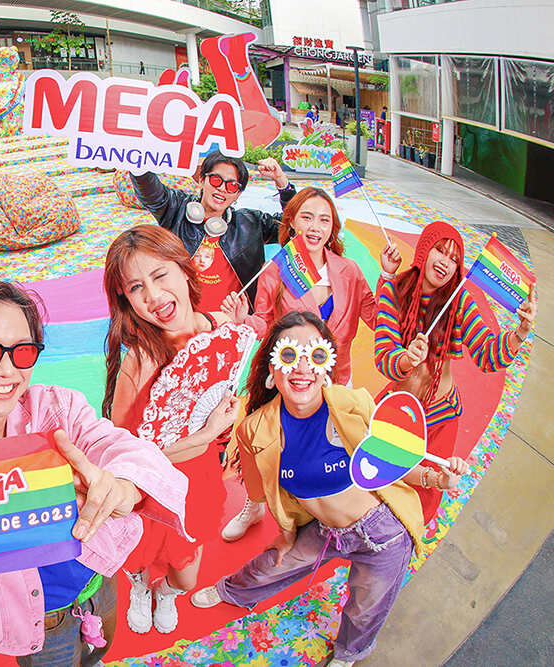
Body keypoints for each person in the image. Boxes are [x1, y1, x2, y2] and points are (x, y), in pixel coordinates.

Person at [0, 274, 190, 666]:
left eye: (23, 352)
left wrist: (123, 486)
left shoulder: (57, 412)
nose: (8, 371)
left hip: (99, 583)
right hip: (38, 624)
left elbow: (123, 447)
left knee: (98, 655)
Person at [189, 311, 429, 667]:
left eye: (315, 355)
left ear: (327, 365)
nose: (302, 367)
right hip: (324, 529)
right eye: (289, 354)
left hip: (384, 532)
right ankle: (232, 590)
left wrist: (435, 478)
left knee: (366, 608)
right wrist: (285, 531)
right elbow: (259, 488)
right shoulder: (255, 429)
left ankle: (349, 653)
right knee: (272, 563)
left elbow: (396, 460)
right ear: (272, 368)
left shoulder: (353, 404)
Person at [219, 187, 395, 541]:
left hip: (335, 380)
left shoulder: (348, 270)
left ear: (333, 228)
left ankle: (323, 509)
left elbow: (377, 318)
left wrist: (388, 277)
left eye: (324, 220)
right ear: (292, 222)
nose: (316, 226)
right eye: (307, 217)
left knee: (331, 450)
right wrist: (241, 320)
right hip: (290, 380)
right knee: (266, 446)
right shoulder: (277, 270)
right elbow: (264, 322)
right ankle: (254, 504)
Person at [102, 225, 240, 635]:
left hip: (198, 479)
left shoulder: (217, 327)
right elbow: (126, 456)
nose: (153, 296)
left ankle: (165, 593)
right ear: (125, 298)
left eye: (160, 275)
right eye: (136, 287)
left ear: (185, 268)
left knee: (186, 577)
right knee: (140, 556)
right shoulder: (140, 359)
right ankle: (141, 585)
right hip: (149, 487)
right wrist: (207, 434)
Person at [374, 221, 534, 525]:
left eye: (454, 259)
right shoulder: (395, 291)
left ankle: (407, 539)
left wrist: (519, 334)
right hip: (397, 405)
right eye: (440, 251)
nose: (446, 263)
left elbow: (489, 355)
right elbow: (383, 355)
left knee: (425, 492)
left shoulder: (458, 301)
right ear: (424, 250)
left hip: (439, 415)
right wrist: (406, 359)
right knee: (379, 472)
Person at [130, 152, 296, 305]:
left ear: (238, 194)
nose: (222, 188)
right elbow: (150, 190)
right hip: (185, 318)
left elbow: (295, 226)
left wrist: (281, 181)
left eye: (232, 186)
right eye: (216, 180)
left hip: (234, 320)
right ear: (201, 180)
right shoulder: (176, 209)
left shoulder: (251, 223)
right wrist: (138, 160)